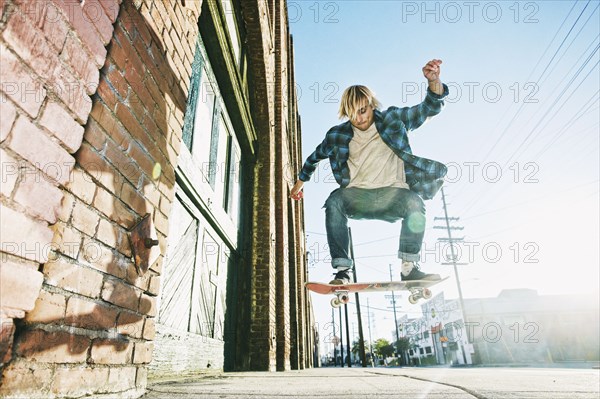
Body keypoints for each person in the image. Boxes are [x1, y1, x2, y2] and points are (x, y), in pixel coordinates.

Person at [291, 59, 449, 285]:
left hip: (394, 196)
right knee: (334, 200)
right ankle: (342, 271)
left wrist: (434, 81)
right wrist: (299, 185)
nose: (359, 118)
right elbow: (314, 158)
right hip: (358, 197)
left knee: (415, 202)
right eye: (353, 113)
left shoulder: (393, 120)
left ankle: (409, 267)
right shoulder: (337, 135)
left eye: (363, 111)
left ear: (371, 104)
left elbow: (428, 109)